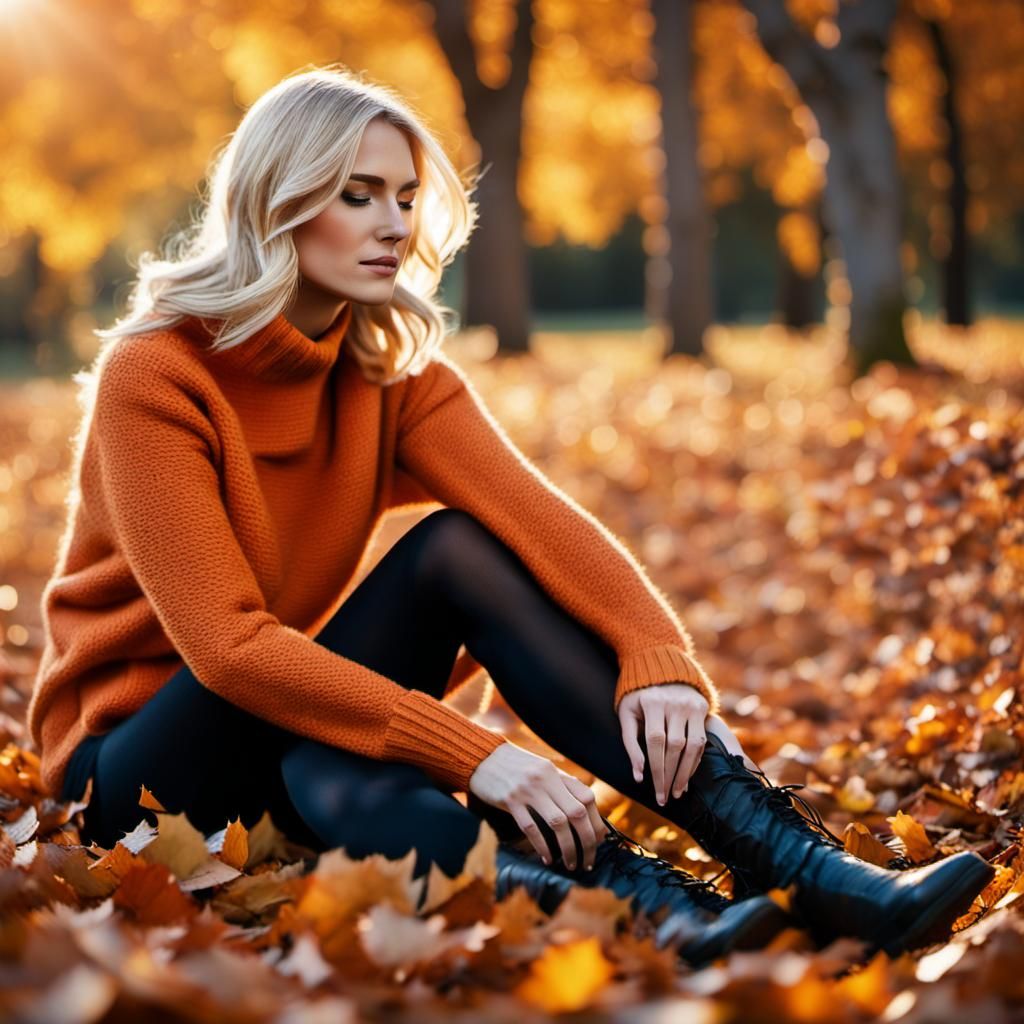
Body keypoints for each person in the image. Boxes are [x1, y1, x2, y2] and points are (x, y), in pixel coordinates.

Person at [27, 66, 993, 967]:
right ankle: (651, 898)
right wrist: (477, 754)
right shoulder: (158, 375)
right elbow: (229, 651)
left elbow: (538, 522)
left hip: (289, 723)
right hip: (138, 774)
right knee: (411, 628)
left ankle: (759, 877)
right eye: (357, 194)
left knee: (445, 575)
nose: (392, 225)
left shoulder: (387, 371)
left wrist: (661, 659)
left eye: (405, 198)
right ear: (276, 203)